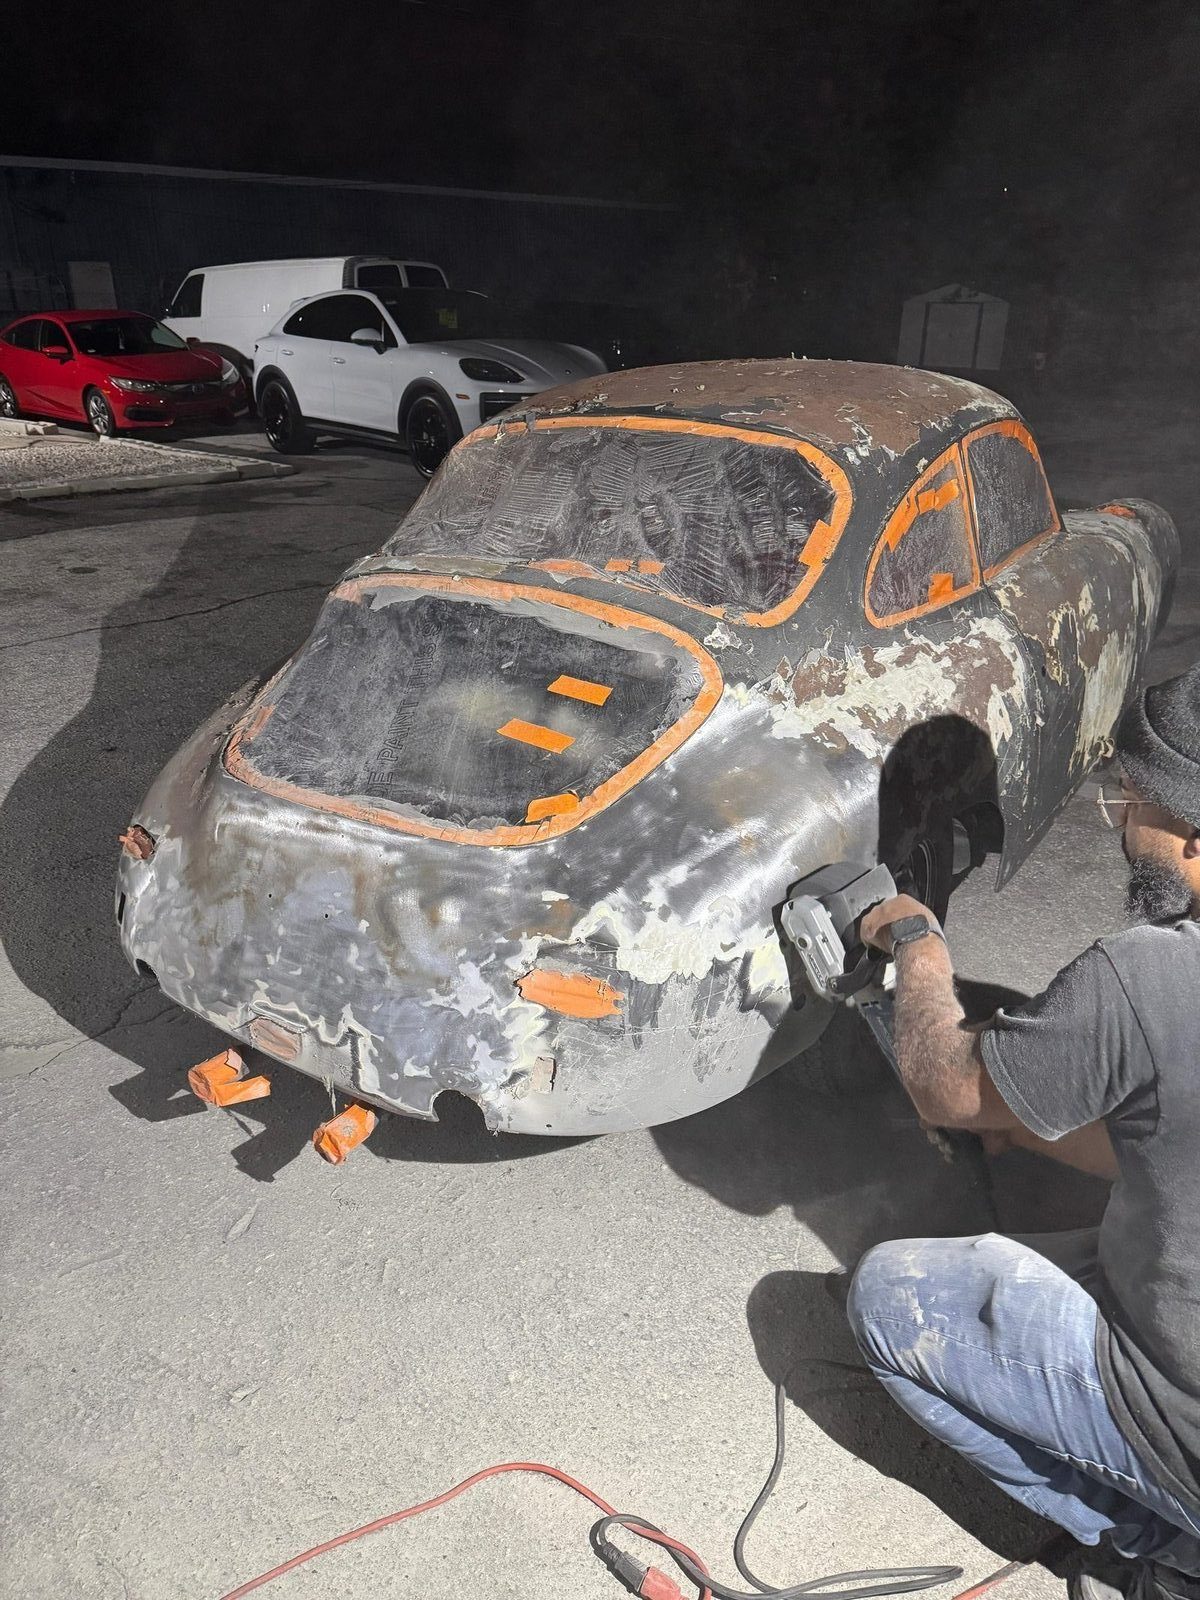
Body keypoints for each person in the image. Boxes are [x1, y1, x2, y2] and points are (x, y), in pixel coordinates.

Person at [845, 662, 1200, 1600]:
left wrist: (919, 944)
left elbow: (945, 1089)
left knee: (891, 1301)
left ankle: (1159, 1551)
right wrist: (1039, 1126)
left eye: (1135, 802)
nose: (1124, 824)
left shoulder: (1154, 978)